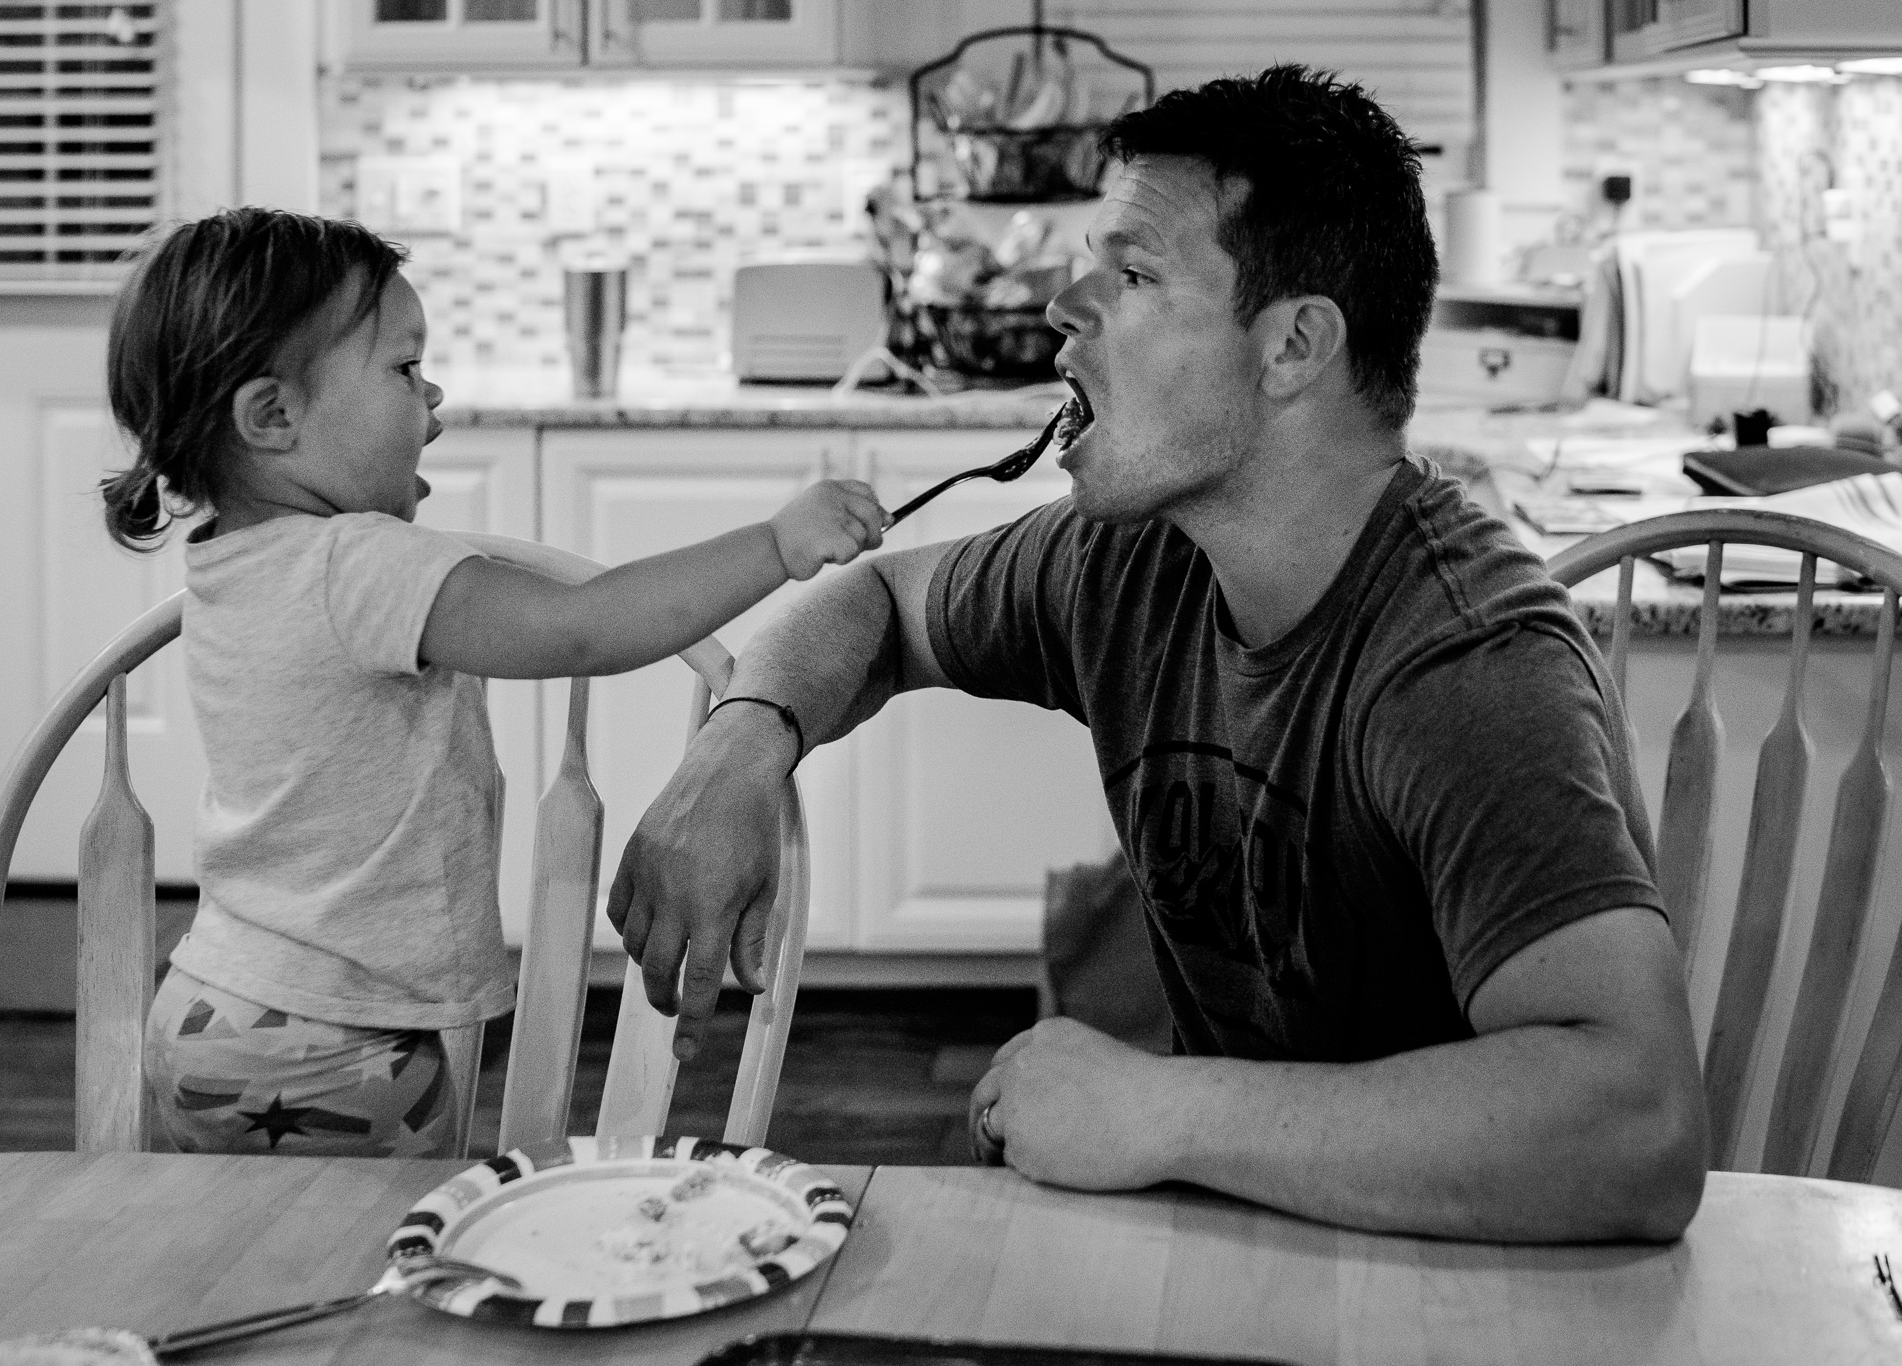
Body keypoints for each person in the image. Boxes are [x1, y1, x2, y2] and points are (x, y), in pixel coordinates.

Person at [605, 67, 1708, 1242]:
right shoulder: (1132, 560)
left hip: (1447, 1290)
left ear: (1291, 346)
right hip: (1241, 1239)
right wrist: (741, 741)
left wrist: (1164, 1110)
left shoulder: (1464, 663)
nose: (1064, 308)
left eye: (1131, 276)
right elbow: (876, 601)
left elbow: (1635, 1127)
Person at [98, 207, 886, 1157]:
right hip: (326, 1044)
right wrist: (774, 544)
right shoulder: (357, 565)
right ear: (272, 416)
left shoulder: (235, 561)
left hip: (215, 1004)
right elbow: (583, 626)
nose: (434, 399)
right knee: (372, 1276)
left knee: (260, 1266)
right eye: (401, 369)